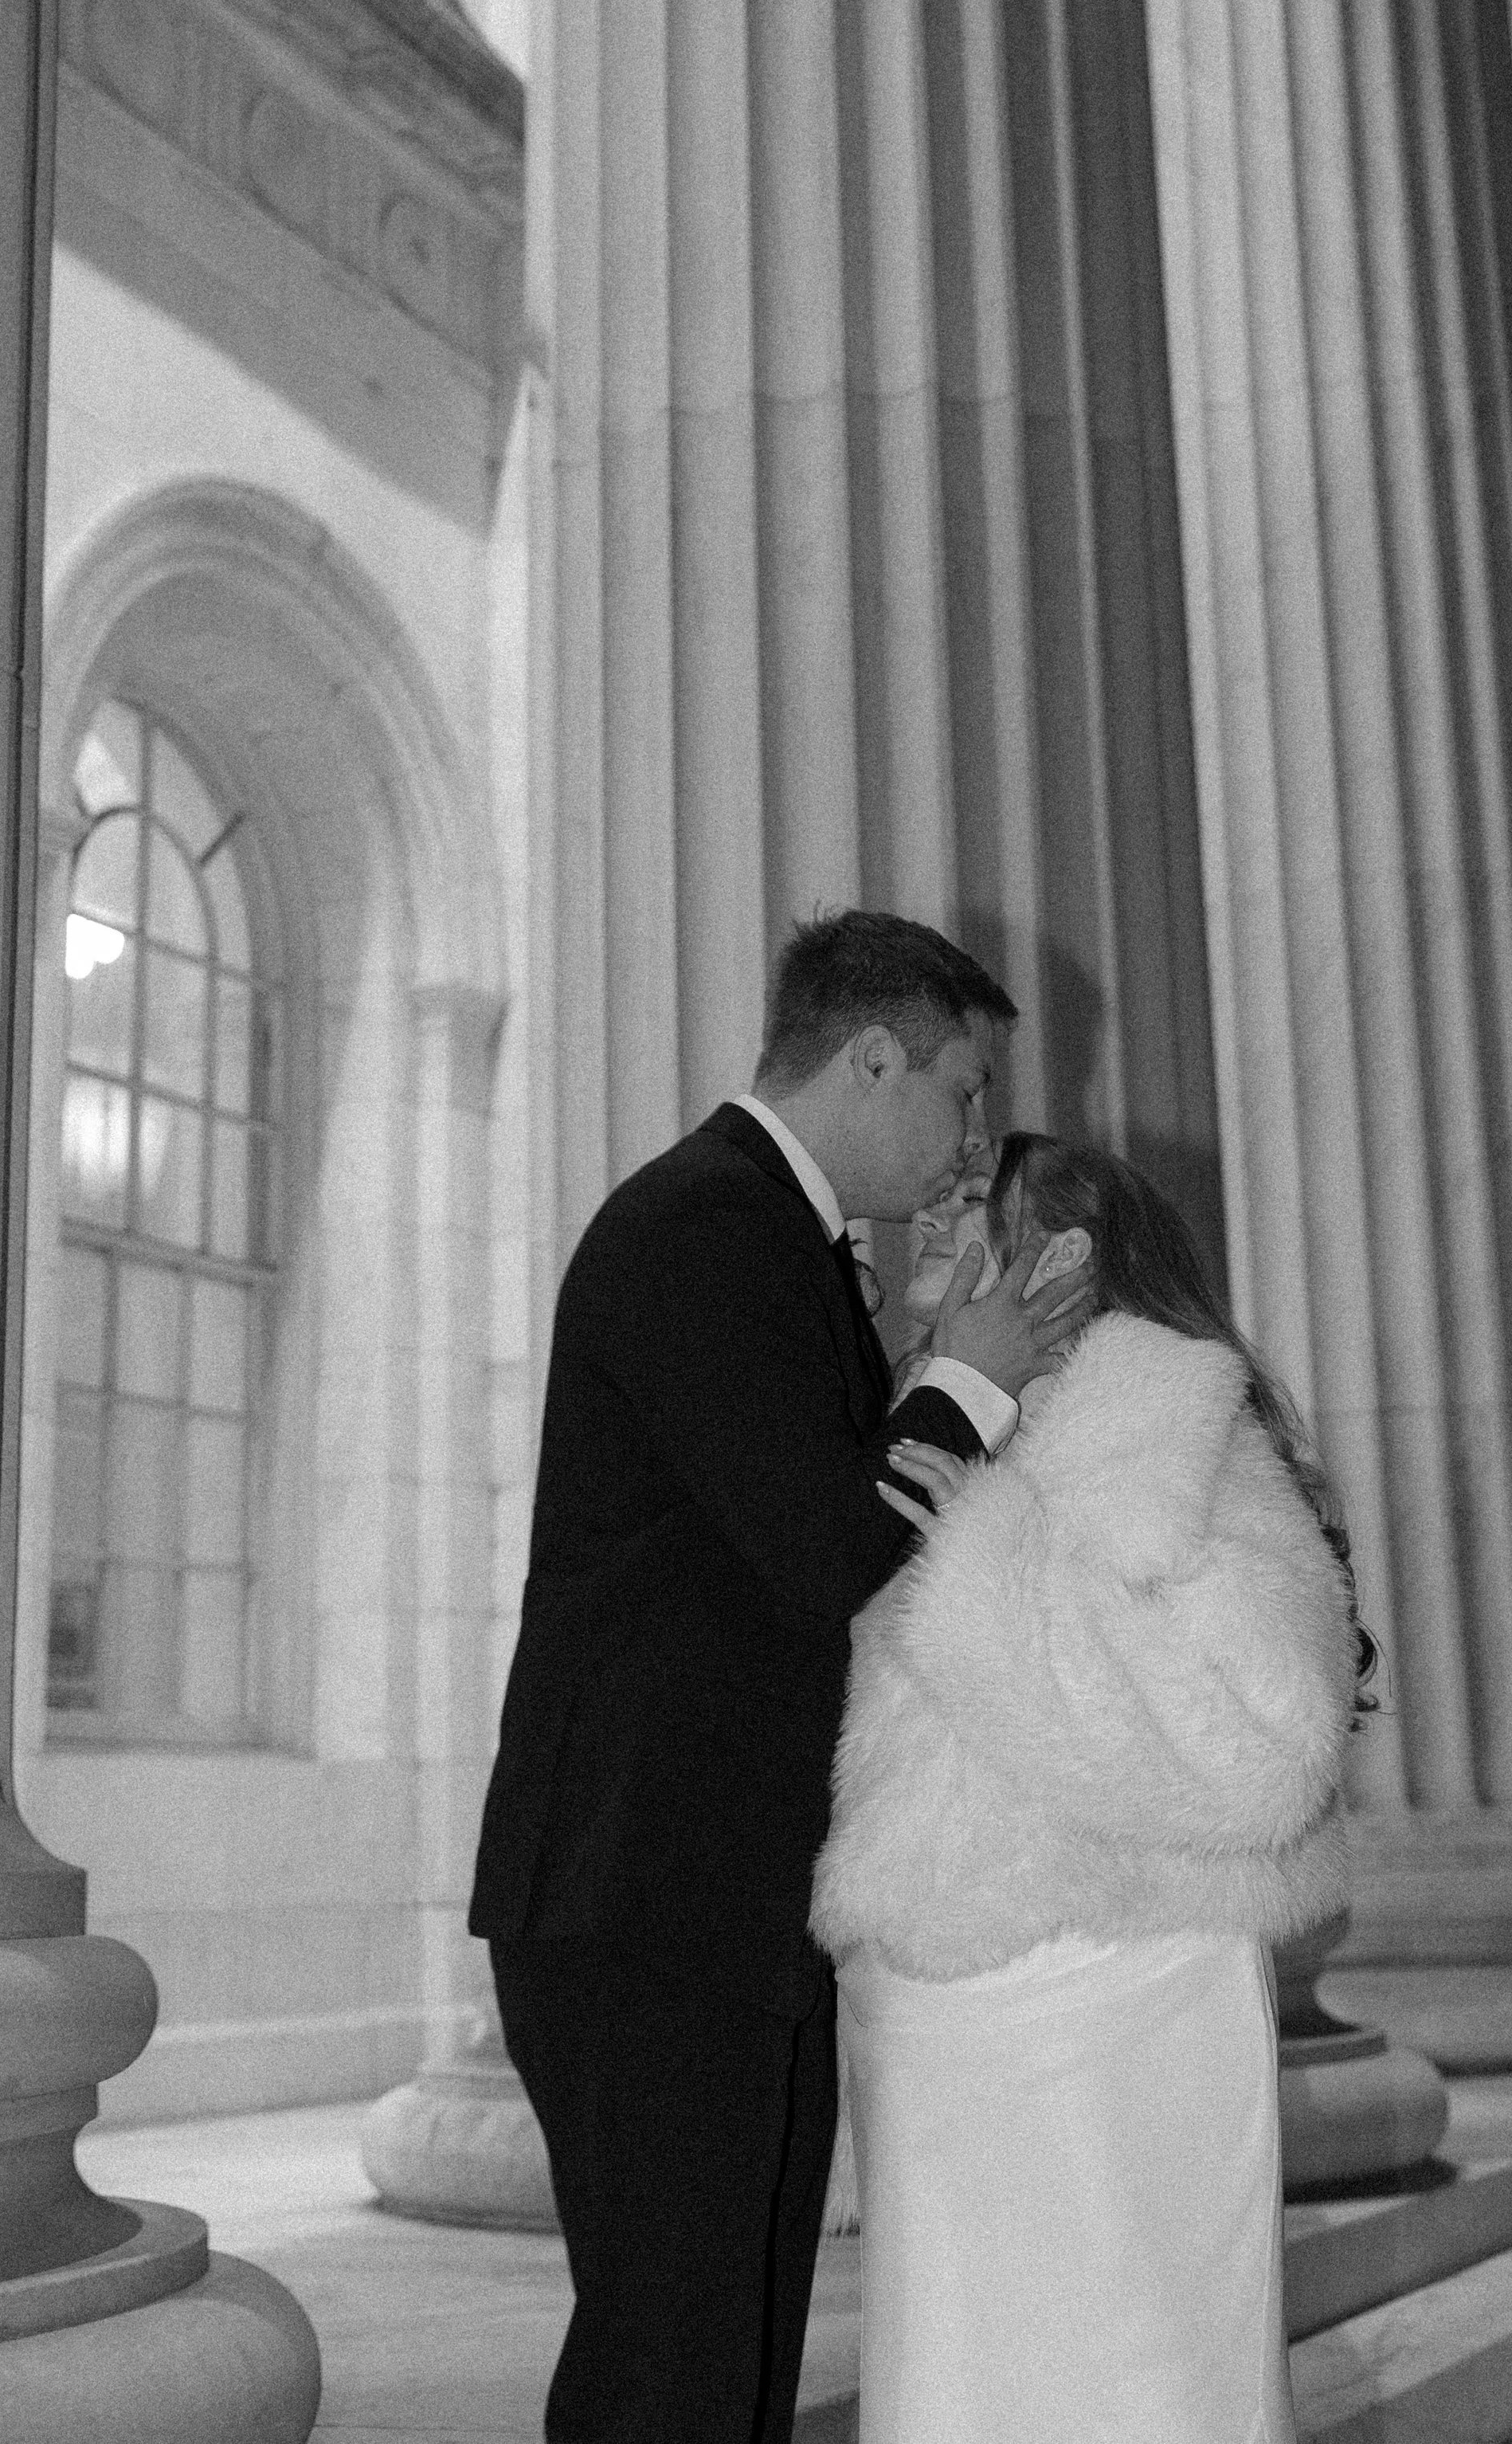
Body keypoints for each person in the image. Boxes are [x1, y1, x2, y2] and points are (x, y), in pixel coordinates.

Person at [468, 913, 1089, 2444]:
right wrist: (970, 1379)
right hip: (643, 1898)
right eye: (960, 1088)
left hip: (723, 1894)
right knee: (669, 2366)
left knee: (731, 2360)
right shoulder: (700, 1224)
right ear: (871, 1054)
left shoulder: (779, 1245)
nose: (970, 1137)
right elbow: (824, 1547)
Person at [813, 1131, 1373, 2444]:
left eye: (963, 1223)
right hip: (940, 2015)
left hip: (1113, 1995)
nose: (928, 1253)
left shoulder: (1173, 1427)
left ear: (1058, 1255)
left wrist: (985, 1560)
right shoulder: (949, 1427)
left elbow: (1269, 1744)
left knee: (1136, 2390)